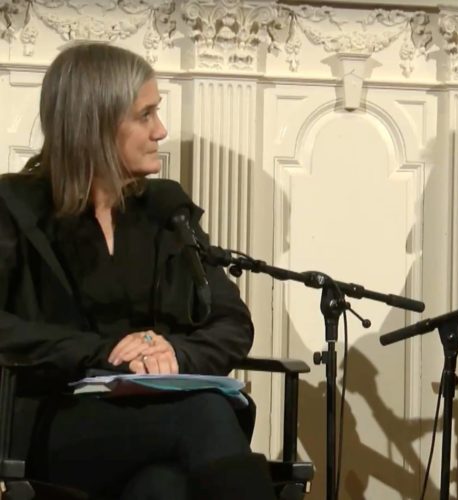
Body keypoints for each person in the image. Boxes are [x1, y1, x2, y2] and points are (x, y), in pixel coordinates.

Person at [0, 43, 276, 499]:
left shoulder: (166, 209)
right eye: (145, 115)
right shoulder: (15, 206)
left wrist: (174, 354)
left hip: (155, 422)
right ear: (95, 125)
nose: (160, 130)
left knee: (164, 487)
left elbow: (231, 320)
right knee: (203, 413)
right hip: (52, 421)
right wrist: (103, 352)